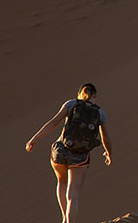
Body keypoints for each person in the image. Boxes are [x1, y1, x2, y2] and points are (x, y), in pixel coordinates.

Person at [26, 83, 113, 223]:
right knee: (73, 194)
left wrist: (33, 139)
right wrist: (108, 153)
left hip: (60, 151)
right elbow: (105, 139)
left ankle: (64, 218)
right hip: (80, 157)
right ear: (95, 96)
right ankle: (69, 221)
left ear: (79, 94)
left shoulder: (71, 104)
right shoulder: (99, 113)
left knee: (61, 182)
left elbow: (53, 123)